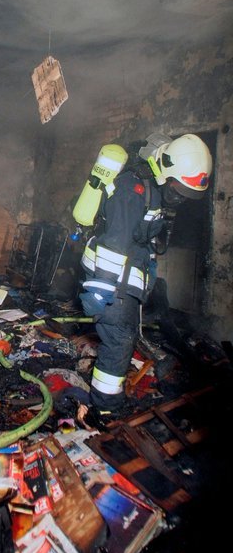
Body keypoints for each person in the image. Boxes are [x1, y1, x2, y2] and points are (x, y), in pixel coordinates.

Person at [78, 133, 213, 424]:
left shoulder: (155, 189)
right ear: (166, 169)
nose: (180, 197)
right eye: (179, 188)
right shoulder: (133, 189)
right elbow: (114, 244)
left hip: (126, 276)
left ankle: (107, 400)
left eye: (186, 193)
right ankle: (104, 409)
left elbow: (141, 240)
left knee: (124, 337)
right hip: (110, 278)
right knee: (119, 340)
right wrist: (100, 290)